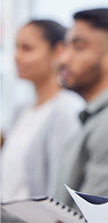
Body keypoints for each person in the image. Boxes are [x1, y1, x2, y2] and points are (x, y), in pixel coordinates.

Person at [52, 8, 108, 207]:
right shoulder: (97, 115)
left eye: (78, 47)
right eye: (67, 46)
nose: (63, 59)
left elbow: (89, 216)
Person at [1, 20, 83, 202]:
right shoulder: (21, 109)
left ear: (58, 51)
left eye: (27, 48)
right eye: (16, 48)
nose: (17, 56)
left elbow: (59, 191)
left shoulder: (67, 110)